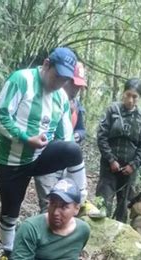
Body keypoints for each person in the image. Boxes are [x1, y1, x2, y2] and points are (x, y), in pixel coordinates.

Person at [0, 47, 88, 254]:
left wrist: (67, 180)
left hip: (41, 157)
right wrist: (26, 138)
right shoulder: (22, 80)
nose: (60, 83)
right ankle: (8, 253)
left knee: (72, 150)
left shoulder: (61, 97)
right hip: (13, 159)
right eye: (57, 76)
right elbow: (1, 116)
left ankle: (81, 198)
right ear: (46, 65)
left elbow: (64, 137)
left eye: (65, 80)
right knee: (10, 212)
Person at [34, 61, 88, 213]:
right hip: (47, 159)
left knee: (68, 202)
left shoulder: (76, 105)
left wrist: (76, 135)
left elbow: (81, 129)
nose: (76, 90)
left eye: (79, 86)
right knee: (50, 204)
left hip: (67, 160)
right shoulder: (47, 100)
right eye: (73, 84)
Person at [96, 78, 141, 223]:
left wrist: (133, 165)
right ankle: (97, 234)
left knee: (123, 207)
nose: (130, 100)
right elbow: (102, 137)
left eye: (135, 97)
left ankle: (117, 242)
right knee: (103, 202)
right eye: (128, 95)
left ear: (139, 98)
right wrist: (111, 159)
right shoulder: (112, 110)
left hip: (129, 170)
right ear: (123, 93)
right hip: (109, 167)